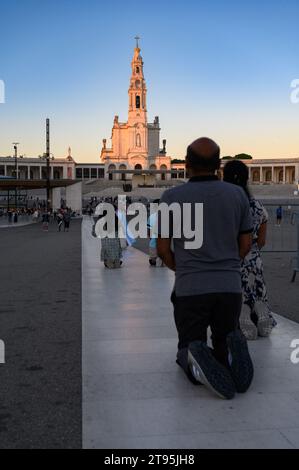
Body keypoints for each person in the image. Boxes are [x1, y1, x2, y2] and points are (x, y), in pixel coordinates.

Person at [157, 137, 254, 400]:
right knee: (224, 337)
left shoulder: (171, 197)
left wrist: (183, 268)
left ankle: (193, 355)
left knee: (186, 346)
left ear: (186, 164)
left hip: (191, 287)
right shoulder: (237, 195)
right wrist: (229, 264)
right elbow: (246, 244)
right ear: (218, 165)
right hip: (229, 286)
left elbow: (163, 250)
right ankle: (229, 352)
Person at [223, 160, 276, 340]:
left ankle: (243, 312)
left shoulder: (224, 204)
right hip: (254, 258)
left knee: (237, 292)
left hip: (232, 257)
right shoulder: (257, 205)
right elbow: (262, 240)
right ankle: (260, 308)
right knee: (257, 288)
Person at [147, 199, 163, 267]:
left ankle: (154, 260)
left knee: (153, 259)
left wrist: (151, 238)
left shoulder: (151, 217)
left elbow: (149, 231)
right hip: (163, 242)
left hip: (153, 242)